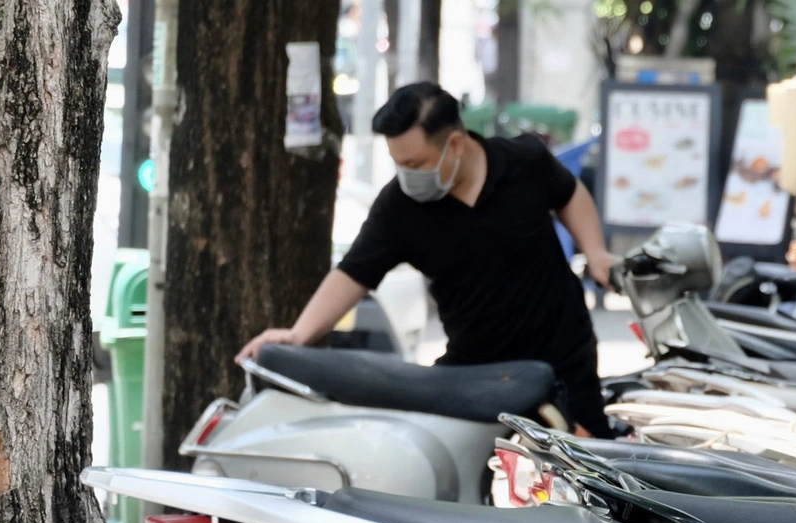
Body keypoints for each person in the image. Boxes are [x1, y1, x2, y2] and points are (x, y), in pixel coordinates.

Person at [239, 82, 617, 435]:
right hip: (474, 376)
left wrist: (596, 252)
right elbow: (353, 273)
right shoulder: (399, 207)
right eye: (398, 164)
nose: (407, 176)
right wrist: (299, 333)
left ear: (455, 144)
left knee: (588, 482)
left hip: (563, 361)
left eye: (416, 164)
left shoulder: (524, 161)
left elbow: (569, 193)